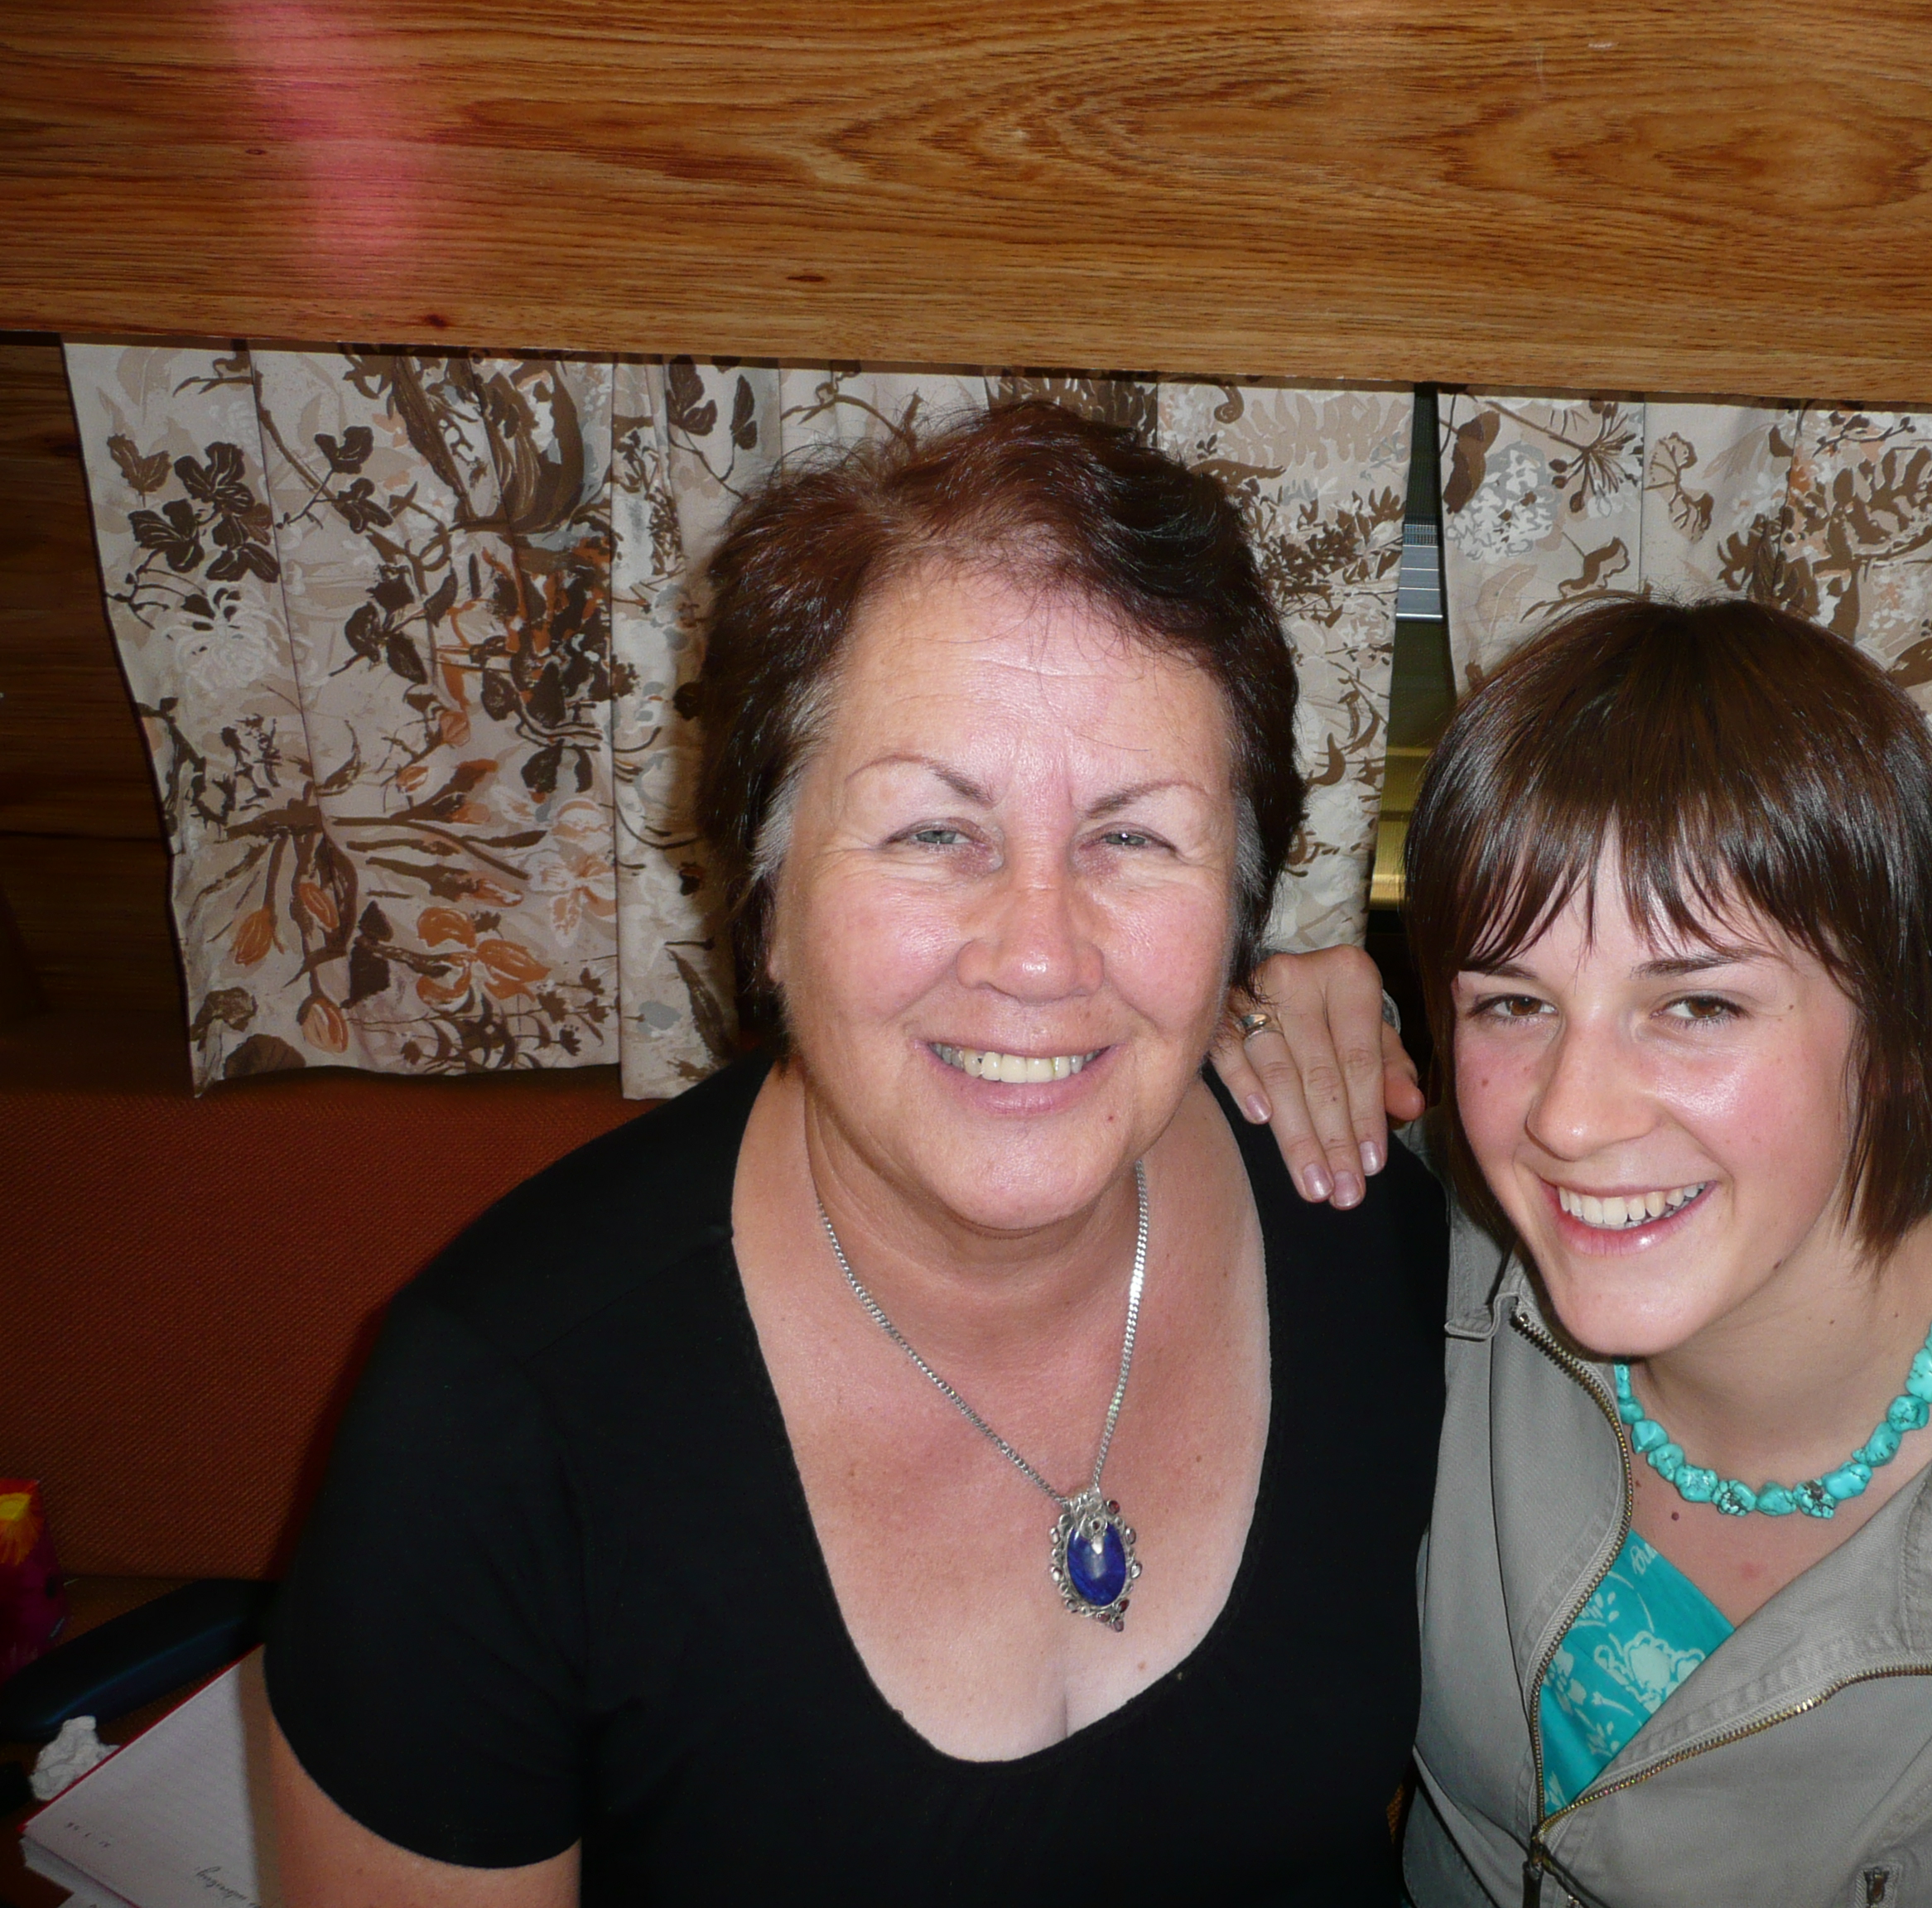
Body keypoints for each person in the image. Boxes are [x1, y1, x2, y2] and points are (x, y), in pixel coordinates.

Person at [259, 403, 1448, 1905]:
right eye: (932, 833)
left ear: (1238, 911)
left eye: (1135, 838)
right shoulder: (491, 1427)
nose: (1039, 953)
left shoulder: (1366, 1232)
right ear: (765, 900)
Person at [1214, 599, 1932, 1906]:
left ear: (1901, 1038)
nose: (1567, 1120)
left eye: (1698, 1004)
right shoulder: (1428, 1235)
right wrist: (1241, 1034)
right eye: (1514, 1003)